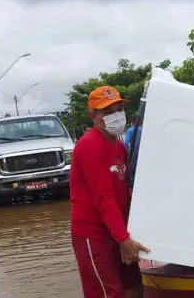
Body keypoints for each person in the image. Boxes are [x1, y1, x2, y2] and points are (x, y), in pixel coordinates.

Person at [70, 85, 150, 298]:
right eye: (107, 112)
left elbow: (125, 191)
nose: (116, 116)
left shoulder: (119, 146)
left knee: (134, 287)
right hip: (94, 234)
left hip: (117, 230)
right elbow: (104, 197)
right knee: (109, 293)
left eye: (118, 110)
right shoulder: (89, 145)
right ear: (93, 116)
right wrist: (123, 239)